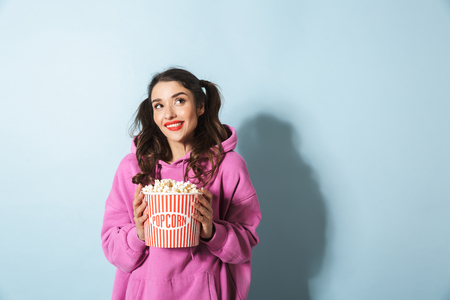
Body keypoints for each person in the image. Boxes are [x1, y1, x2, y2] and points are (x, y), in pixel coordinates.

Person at [101, 68, 261, 300]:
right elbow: (112, 249)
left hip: (207, 291)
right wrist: (139, 233)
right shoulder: (132, 168)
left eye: (179, 101)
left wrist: (213, 232)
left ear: (200, 106)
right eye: (159, 105)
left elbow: (245, 246)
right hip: (147, 293)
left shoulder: (229, 166)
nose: (169, 114)